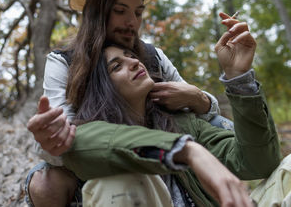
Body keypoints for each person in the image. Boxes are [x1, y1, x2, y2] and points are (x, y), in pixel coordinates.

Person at [25, 0, 231, 206]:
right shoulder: (63, 62)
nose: (132, 22)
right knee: (44, 181)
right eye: (120, 11)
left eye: (138, 12)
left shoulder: (154, 57)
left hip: (164, 155)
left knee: (223, 126)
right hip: (92, 165)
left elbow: (203, 113)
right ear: (97, 13)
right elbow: (63, 142)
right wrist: (51, 141)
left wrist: (199, 98)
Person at [61, 15, 290, 206]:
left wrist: (238, 78)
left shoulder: (183, 123)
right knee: (116, 181)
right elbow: (89, 146)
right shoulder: (85, 135)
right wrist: (187, 151)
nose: (133, 63)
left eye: (131, 56)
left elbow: (259, 162)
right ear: (102, 89)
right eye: (116, 66)